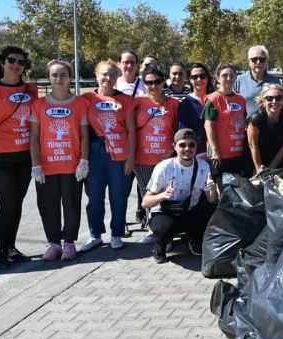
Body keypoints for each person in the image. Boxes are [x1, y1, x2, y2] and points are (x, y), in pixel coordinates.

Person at [0, 46, 39, 269]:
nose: (16, 65)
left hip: (26, 158)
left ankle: (11, 247)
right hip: (0, 159)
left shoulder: (32, 90)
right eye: (11, 60)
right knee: (8, 204)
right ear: (1, 63)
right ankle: (2, 250)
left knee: (16, 204)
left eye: (21, 62)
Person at [29, 60, 90, 262]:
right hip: (47, 166)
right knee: (48, 205)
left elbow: (84, 135)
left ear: (70, 78)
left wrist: (83, 160)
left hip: (72, 165)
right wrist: (36, 165)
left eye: (63, 75)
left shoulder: (81, 104)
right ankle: (54, 243)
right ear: (49, 78)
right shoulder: (38, 105)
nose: (59, 79)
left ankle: (69, 242)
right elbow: (34, 137)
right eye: (54, 75)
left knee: (72, 204)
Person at [80, 60, 138, 253]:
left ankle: (116, 233)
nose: (108, 78)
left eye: (113, 75)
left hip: (119, 154)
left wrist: (130, 158)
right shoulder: (86, 99)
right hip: (94, 154)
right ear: (97, 75)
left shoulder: (126, 100)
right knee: (94, 196)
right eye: (104, 74)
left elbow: (131, 131)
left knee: (118, 196)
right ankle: (95, 234)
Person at [141, 129, 219, 263]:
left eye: (191, 145)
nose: (187, 149)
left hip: (189, 209)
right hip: (166, 211)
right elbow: (145, 203)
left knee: (212, 210)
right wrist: (163, 195)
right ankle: (160, 246)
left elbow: (212, 200)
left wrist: (213, 189)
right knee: (164, 228)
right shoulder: (164, 167)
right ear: (174, 146)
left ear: (196, 147)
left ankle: (192, 237)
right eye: (182, 145)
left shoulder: (203, 166)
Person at [133, 66, 180, 243]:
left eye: (157, 82)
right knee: (148, 195)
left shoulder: (174, 104)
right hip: (143, 158)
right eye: (149, 82)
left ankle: (168, 231)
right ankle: (153, 228)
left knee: (168, 194)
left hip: (167, 159)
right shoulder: (136, 103)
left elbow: (178, 130)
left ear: (163, 82)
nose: (153, 86)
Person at [203, 63, 248, 179]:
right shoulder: (214, 99)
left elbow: (243, 122)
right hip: (220, 155)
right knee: (221, 187)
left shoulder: (241, 99)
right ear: (218, 78)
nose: (229, 78)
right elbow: (208, 126)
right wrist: (215, 151)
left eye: (232, 75)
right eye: (224, 75)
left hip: (238, 153)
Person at [247, 83, 283, 172]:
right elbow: (253, 145)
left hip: (280, 162)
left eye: (279, 98)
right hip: (258, 161)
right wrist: (259, 168)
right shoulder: (256, 119)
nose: (274, 101)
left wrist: (271, 169)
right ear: (263, 102)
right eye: (269, 98)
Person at [177, 62, 214, 158]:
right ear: (190, 80)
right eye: (195, 77)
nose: (199, 79)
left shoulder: (215, 99)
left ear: (207, 78)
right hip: (197, 154)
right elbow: (184, 134)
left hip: (217, 152)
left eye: (202, 76)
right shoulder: (185, 104)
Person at [234, 45, 281, 118]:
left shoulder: (275, 81)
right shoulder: (238, 80)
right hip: (244, 124)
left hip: (269, 124)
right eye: (254, 59)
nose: (258, 62)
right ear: (249, 61)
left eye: (262, 59)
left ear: (267, 61)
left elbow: (280, 104)